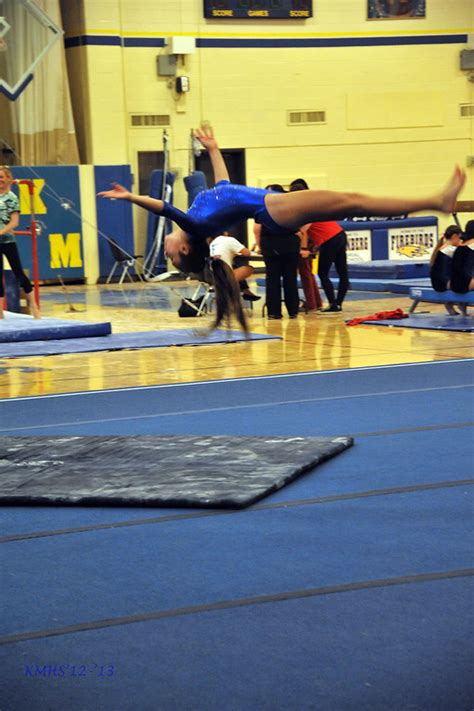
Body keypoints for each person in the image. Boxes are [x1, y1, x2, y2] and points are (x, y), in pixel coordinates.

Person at [98, 125, 466, 331]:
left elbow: (223, 184)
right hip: (272, 208)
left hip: (273, 208)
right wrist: (131, 197)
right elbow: (163, 206)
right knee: (352, 199)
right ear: (184, 248)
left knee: (353, 201)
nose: (165, 248)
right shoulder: (193, 223)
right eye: (170, 255)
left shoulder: (200, 210)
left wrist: (213, 148)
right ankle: (436, 200)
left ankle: (436, 200)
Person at [253, 184, 300, 319]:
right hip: (290, 244)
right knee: (290, 278)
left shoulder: (263, 208)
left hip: (271, 244)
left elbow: (257, 229)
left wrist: (259, 246)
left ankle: (274, 312)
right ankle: (293, 310)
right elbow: (300, 228)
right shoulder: (291, 208)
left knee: (273, 279)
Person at [0, 166, 40, 319]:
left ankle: (34, 306)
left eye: (2, 177)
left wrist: (1, 232)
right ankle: (0, 314)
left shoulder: (12, 198)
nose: (0, 180)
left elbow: (14, 222)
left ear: (9, 179)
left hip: (8, 241)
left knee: (18, 273)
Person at [208, 232, 260, 301]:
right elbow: (247, 253)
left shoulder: (212, 243)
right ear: (225, 233)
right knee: (249, 268)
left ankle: (245, 291)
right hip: (223, 276)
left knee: (234, 266)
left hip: (210, 275)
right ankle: (242, 291)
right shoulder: (229, 240)